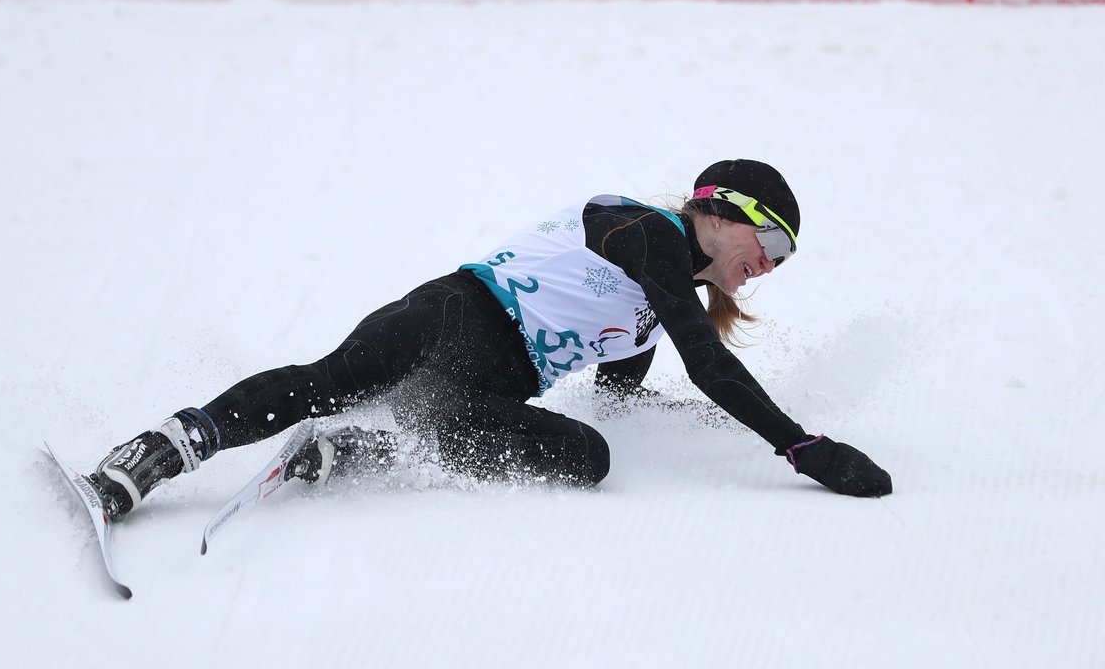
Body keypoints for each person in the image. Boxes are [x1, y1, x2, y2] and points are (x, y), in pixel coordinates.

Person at [90, 159, 892, 520]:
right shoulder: (647, 233)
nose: (770, 267)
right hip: (448, 319)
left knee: (591, 459)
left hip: (488, 388)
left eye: (785, 261)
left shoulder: (659, 297)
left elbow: (626, 385)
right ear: (718, 212)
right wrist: (801, 446)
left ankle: (363, 449)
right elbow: (708, 361)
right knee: (324, 377)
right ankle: (161, 450)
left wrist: (671, 419)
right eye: (771, 245)